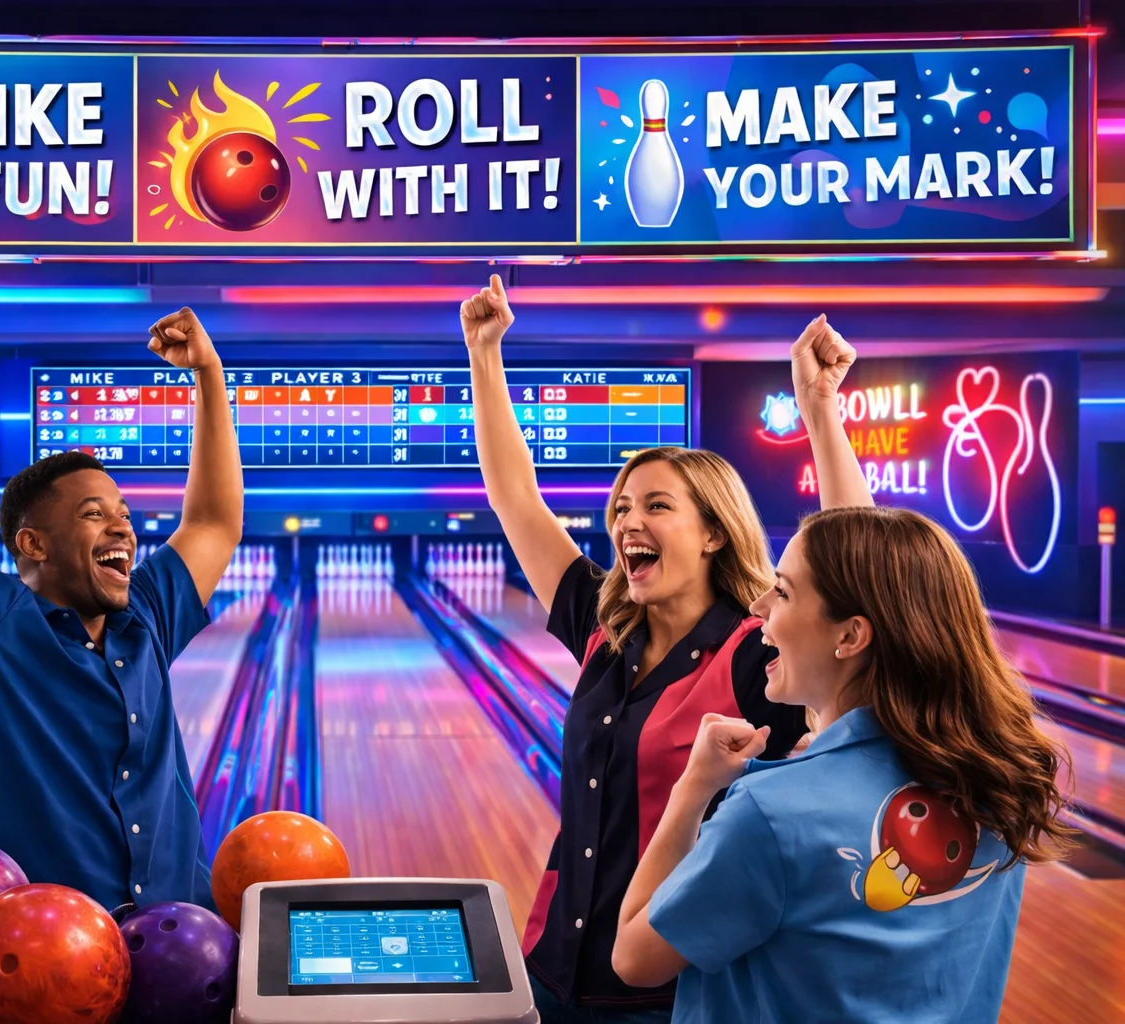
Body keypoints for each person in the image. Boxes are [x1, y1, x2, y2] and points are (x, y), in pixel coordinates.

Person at [460, 276, 868, 1021]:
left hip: (677, 989)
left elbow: (861, 577)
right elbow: (514, 497)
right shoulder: (603, 627)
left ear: (713, 531)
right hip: (552, 967)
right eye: (620, 507)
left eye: (655, 505)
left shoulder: (758, 657)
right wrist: (484, 353)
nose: (627, 522)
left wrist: (821, 411)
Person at [0, 252, 243, 911]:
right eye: (95, 515)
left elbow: (213, 521)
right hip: (30, 964)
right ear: (32, 544)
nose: (123, 529)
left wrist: (210, 377)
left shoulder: (144, 616)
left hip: (178, 949)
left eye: (126, 515)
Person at [612, 502, 1073, 1023]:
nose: (759, 605)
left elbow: (634, 958)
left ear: (850, 636)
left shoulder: (770, 813)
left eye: (782, 591)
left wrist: (691, 789)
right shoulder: (998, 782)